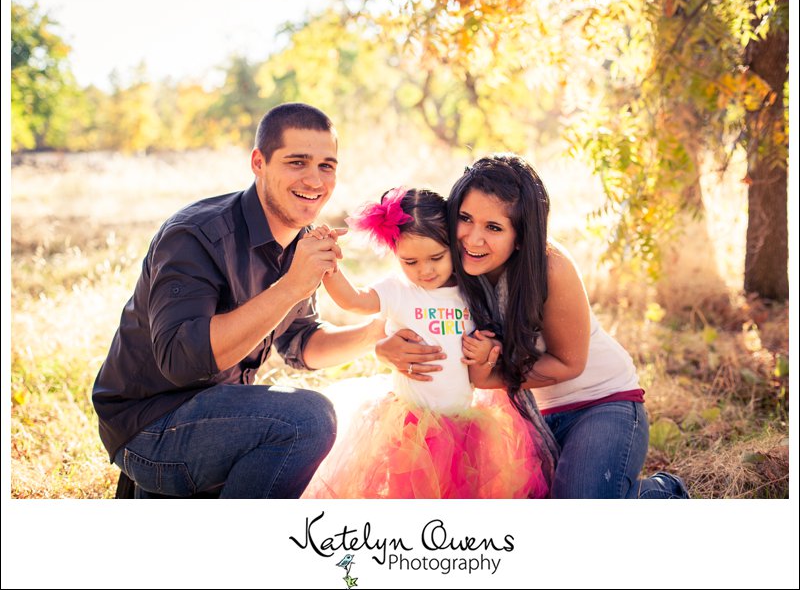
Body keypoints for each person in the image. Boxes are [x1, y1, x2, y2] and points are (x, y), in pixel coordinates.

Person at [92, 103, 385, 498]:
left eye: (326, 166)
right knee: (308, 419)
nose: (315, 180)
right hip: (149, 425)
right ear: (258, 163)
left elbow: (301, 344)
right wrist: (291, 286)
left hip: (218, 413)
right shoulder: (196, 235)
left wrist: (376, 335)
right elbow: (181, 362)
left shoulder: (301, 240)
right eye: (297, 162)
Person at [377, 154, 689, 499]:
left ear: (521, 236)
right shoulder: (445, 263)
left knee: (577, 509)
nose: (473, 239)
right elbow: (400, 309)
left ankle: (663, 493)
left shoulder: (549, 267)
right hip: (530, 414)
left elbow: (569, 363)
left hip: (600, 403)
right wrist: (383, 348)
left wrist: (490, 377)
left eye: (494, 227)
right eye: (465, 218)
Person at [302, 187, 551, 498]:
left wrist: (486, 350)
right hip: (411, 428)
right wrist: (329, 267)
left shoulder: (469, 291)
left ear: (453, 246)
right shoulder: (399, 290)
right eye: (410, 262)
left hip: (465, 425)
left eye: (436, 257)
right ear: (396, 256)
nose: (425, 270)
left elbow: (487, 343)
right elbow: (354, 300)